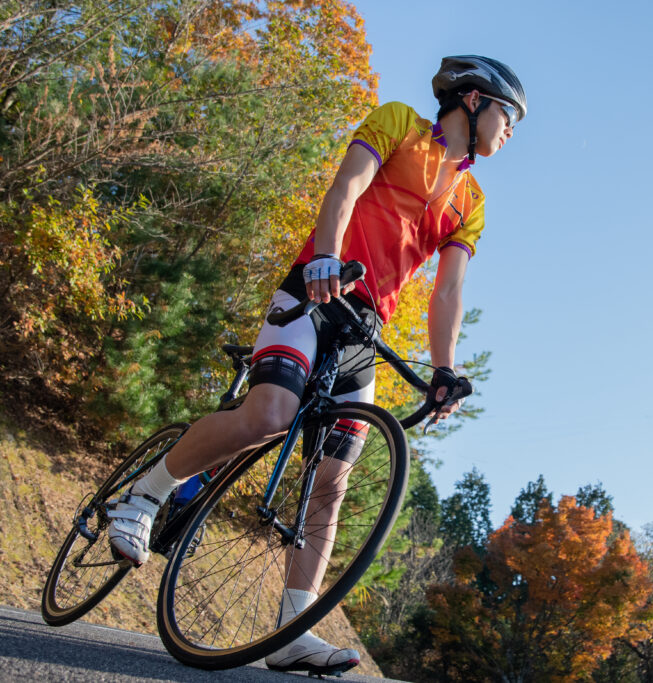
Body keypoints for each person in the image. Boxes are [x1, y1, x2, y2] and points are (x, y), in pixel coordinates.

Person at [105, 55, 526, 675]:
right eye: (508, 115)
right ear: (473, 99)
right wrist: (325, 256)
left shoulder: (473, 200)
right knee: (269, 413)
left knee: (335, 475)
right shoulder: (400, 124)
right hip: (317, 289)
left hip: (365, 328)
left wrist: (444, 370)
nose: (511, 131)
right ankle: (146, 493)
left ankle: (292, 629)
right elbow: (347, 187)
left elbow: (447, 292)